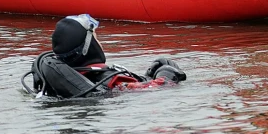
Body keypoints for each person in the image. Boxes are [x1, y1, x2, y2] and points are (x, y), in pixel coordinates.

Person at [22, 14, 187, 98]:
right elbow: (150, 90)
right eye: (96, 38)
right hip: (119, 98)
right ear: (89, 47)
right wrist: (166, 76)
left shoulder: (69, 77)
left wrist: (148, 74)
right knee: (166, 66)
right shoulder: (112, 81)